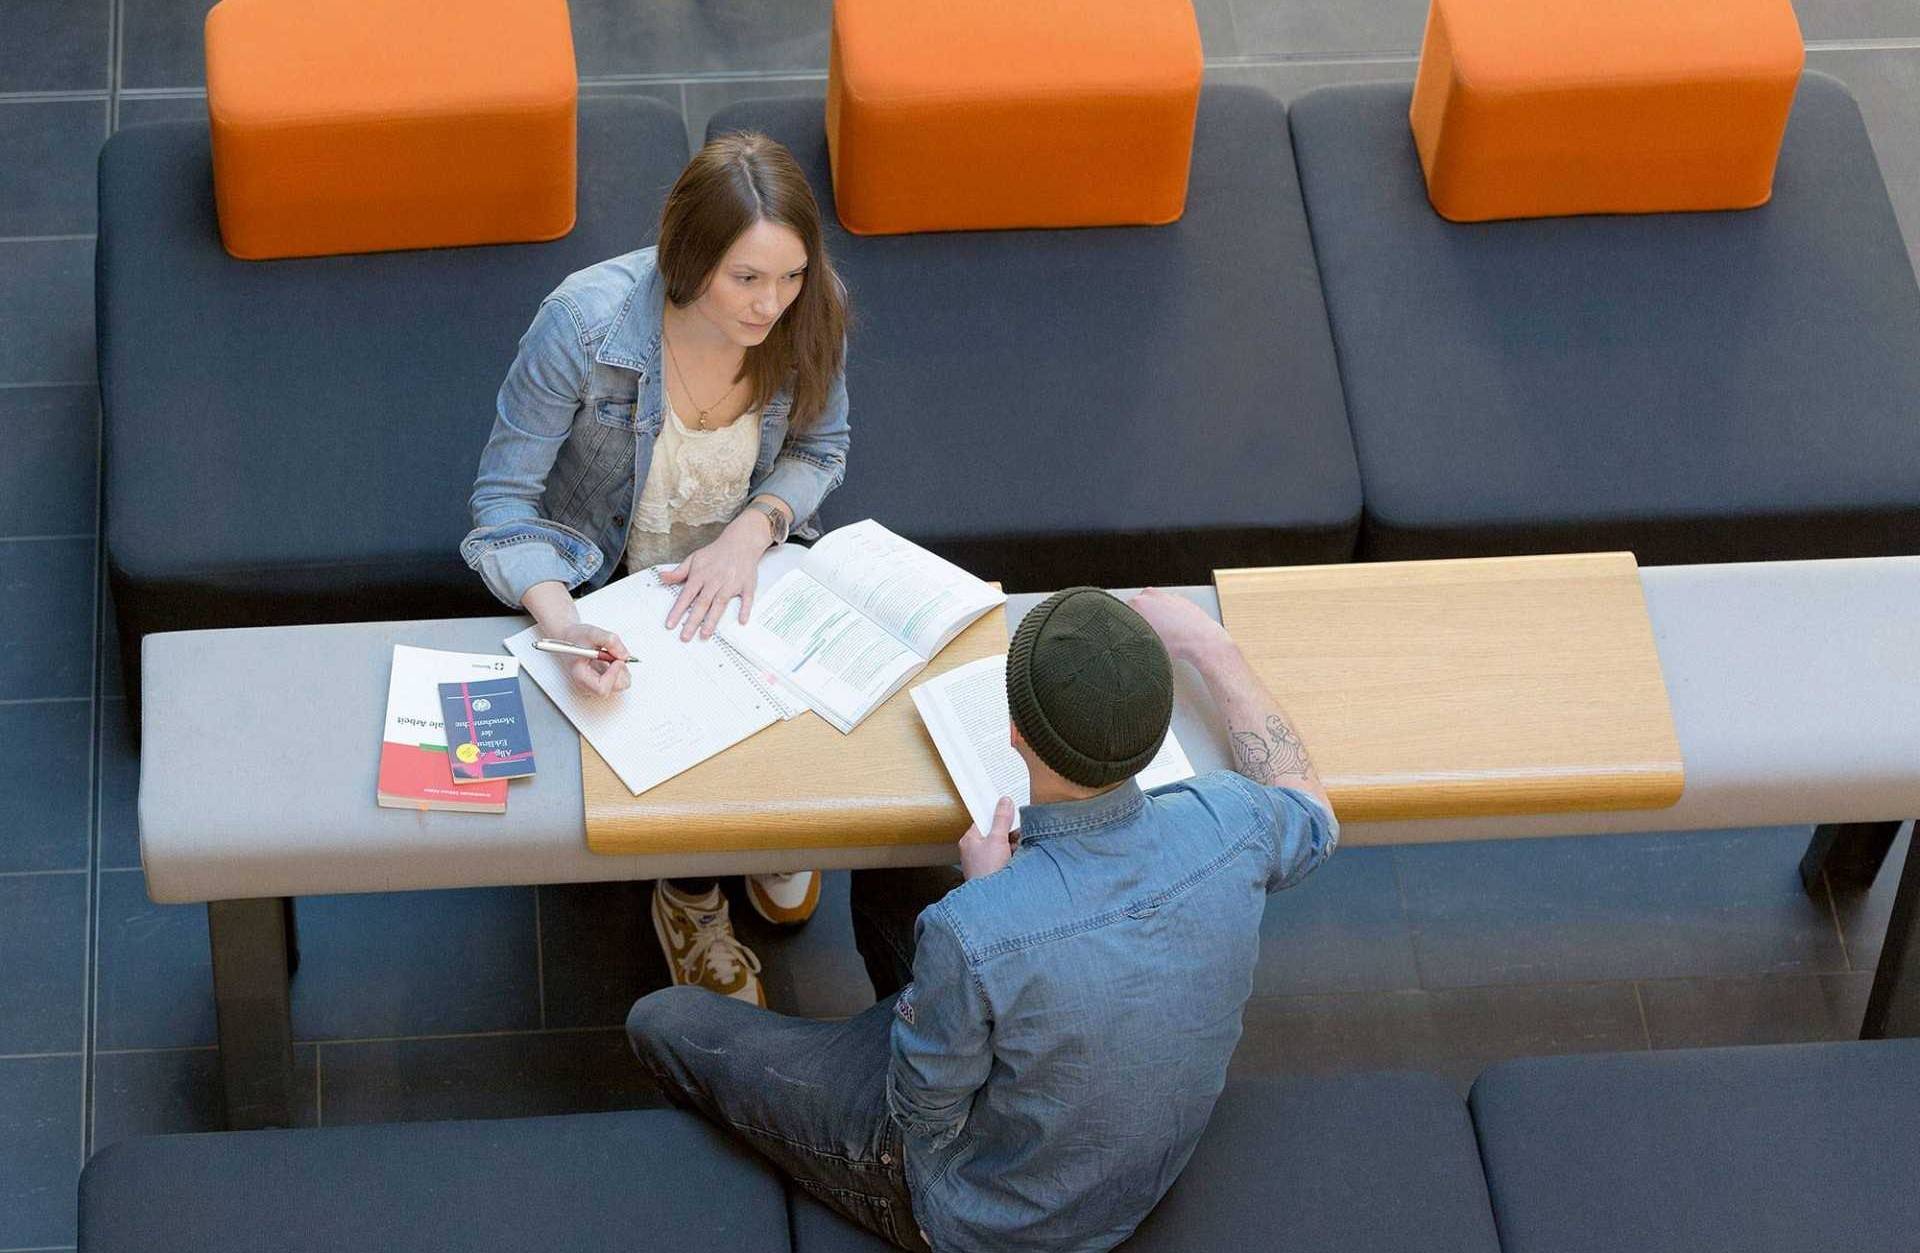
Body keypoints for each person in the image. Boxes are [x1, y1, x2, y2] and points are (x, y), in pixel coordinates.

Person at [627, 586, 1339, 1252]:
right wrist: (1211, 646)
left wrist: (986, 902)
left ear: (1014, 733)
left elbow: (923, 1115)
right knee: (892, 886)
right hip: (1136, 1169)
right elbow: (1313, 810)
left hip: (981, 1212)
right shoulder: (1234, 820)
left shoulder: (977, 928)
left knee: (661, 1020)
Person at [462, 132, 852, 1008]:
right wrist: (562, 625)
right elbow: (501, 505)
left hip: (744, 566)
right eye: (745, 279)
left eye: (789, 276)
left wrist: (752, 530)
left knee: (796, 720)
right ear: (687, 257)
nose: (771, 306)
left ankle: (761, 837)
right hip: (609, 581)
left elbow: (822, 447)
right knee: (670, 743)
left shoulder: (808, 308)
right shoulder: (583, 324)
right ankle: (690, 895)